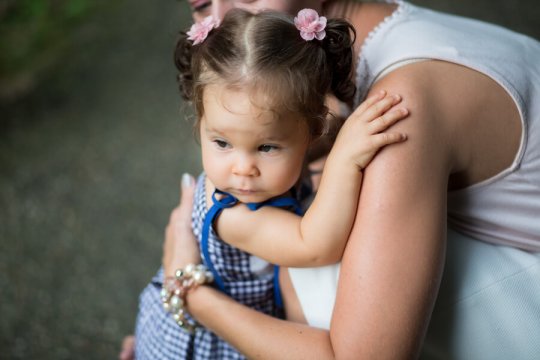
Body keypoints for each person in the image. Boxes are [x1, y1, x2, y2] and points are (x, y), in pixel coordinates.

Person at [121, 1, 540, 359]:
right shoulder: (399, 28)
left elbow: (319, 250)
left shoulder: (400, 105)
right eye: (199, 5)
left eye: (265, 147)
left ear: (315, 127)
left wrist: (184, 290)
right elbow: (312, 236)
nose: (225, 16)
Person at [133, 8, 408, 360]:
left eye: (266, 147)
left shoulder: (279, 152)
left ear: (311, 132)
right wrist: (344, 159)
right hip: (207, 348)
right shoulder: (232, 215)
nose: (243, 167)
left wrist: (346, 129)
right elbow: (315, 245)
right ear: (200, 123)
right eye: (221, 143)